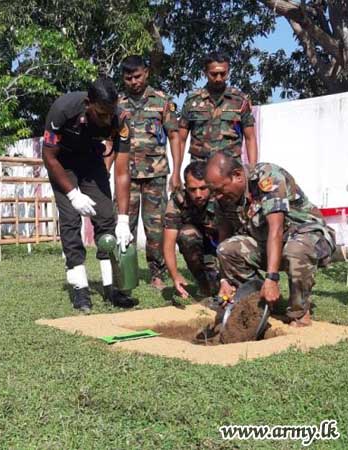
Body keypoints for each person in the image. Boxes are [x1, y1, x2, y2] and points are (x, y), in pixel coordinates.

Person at [205, 152, 335, 327]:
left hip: (308, 238)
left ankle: (299, 312)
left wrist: (272, 277)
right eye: (213, 191)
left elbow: (276, 228)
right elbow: (224, 236)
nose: (217, 196)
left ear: (237, 175)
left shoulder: (267, 177)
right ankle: (260, 302)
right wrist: (224, 280)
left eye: (220, 189)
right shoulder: (224, 197)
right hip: (269, 244)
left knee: (296, 250)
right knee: (227, 250)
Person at [42, 77, 135, 313]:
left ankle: (110, 287)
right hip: (63, 164)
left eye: (109, 113)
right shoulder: (63, 110)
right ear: (88, 104)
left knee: (106, 218)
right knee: (71, 222)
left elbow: (122, 172)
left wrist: (123, 220)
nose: (106, 119)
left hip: (92, 161)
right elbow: (49, 158)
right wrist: (73, 195)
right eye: (101, 113)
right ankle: (80, 288)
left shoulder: (120, 120)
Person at [118, 55, 182, 290]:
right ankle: (126, 273)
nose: (133, 82)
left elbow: (174, 136)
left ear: (146, 73)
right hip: (127, 176)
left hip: (156, 174)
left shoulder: (162, 101)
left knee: (156, 228)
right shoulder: (118, 103)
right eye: (128, 78)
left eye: (137, 76)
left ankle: (157, 273)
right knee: (126, 226)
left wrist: (176, 172)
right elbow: (109, 140)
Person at [178, 52, 258, 166]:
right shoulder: (192, 101)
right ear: (205, 73)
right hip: (200, 169)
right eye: (214, 74)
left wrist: (252, 169)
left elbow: (250, 138)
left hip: (230, 168)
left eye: (223, 73)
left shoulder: (239, 100)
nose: (218, 78)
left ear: (228, 72)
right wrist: (176, 172)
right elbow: (181, 140)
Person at [162, 162, 220, 299]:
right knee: (186, 235)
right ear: (185, 187)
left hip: (221, 244)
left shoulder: (221, 196)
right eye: (192, 189)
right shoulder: (178, 201)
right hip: (198, 244)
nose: (198, 194)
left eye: (203, 188)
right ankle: (204, 285)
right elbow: (168, 244)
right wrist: (175, 275)